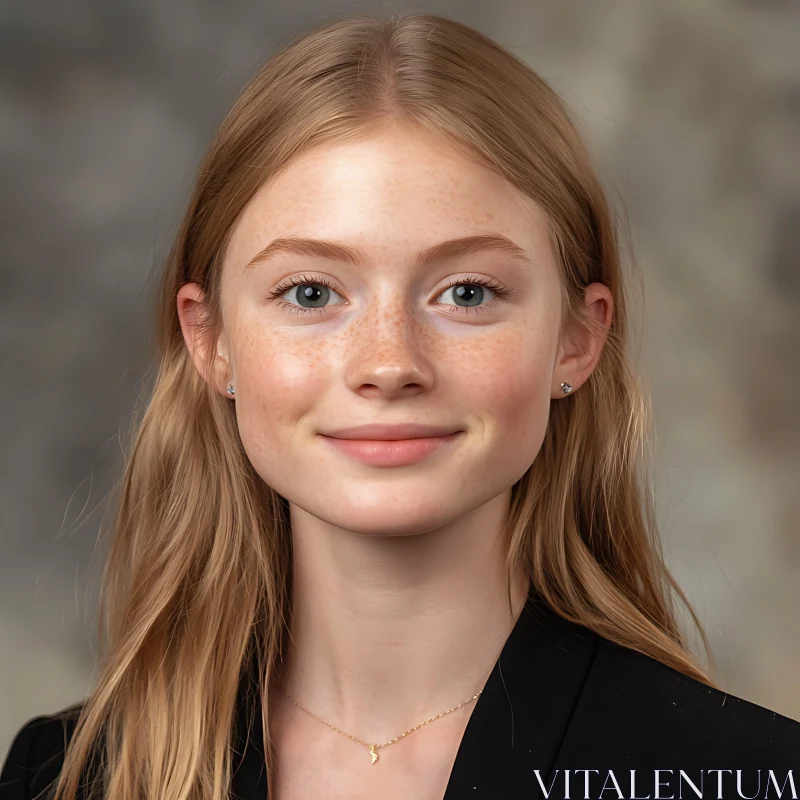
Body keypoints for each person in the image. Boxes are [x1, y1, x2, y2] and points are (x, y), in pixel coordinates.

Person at [2, 11, 799, 800]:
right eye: (311, 292)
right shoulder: (62, 778)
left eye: (467, 292)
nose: (389, 364)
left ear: (576, 340)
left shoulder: (753, 778)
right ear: (210, 341)